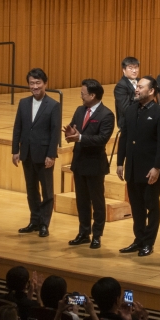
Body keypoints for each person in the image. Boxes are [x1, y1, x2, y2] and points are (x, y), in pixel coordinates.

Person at [117, 76, 160, 257]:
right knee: (136, 207)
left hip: (149, 170)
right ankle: (138, 239)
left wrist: (157, 167)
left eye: (140, 87)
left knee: (151, 207)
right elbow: (124, 137)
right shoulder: (130, 110)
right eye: (136, 86)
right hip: (132, 168)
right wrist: (119, 162)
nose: (136, 89)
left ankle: (149, 242)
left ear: (151, 91)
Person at [64, 79, 115, 249]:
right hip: (79, 163)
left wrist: (79, 138)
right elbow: (74, 130)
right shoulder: (80, 110)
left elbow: (102, 139)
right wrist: (71, 133)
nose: (81, 96)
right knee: (82, 201)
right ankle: (84, 232)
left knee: (97, 202)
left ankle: (97, 235)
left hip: (94, 164)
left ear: (93, 95)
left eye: (83, 94)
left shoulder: (106, 114)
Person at [12, 68, 61, 238]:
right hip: (27, 153)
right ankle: (34, 220)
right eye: (31, 83)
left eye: (38, 83)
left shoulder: (54, 105)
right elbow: (17, 127)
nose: (35, 86)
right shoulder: (23, 103)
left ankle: (44, 224)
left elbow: (55, 132)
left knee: (47, 191)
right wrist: (15, 150)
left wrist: (51, 155)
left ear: (45, 84)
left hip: (44, 155)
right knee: (31, 190)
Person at [114, 57, 140, 128]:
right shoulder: (120, 86)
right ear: (124, 70)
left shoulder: (141, 81)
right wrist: (139, 98)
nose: (134, 71)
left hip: (141, 117)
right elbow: (125, 109)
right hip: (128, 121)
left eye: (136, 67)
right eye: (130, 68)